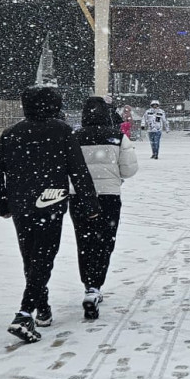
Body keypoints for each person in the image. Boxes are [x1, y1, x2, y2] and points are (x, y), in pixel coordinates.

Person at [0, 87, 100, 343]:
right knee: (44, 256)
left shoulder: (12, 133)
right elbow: (78, 170)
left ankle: (43, 308)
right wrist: (90, 205)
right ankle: (25, 312)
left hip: (21, 203)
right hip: (51, 200)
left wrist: (3, 204)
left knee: (31, 255)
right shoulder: (61, 131)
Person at [73, 97, 139, 320]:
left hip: (80, 197)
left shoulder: (74, 137)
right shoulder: (118, 137)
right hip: (109, 195)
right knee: (105, 240)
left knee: (84, 240)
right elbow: (129, 169)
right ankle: (96, 284)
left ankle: (88, 283)